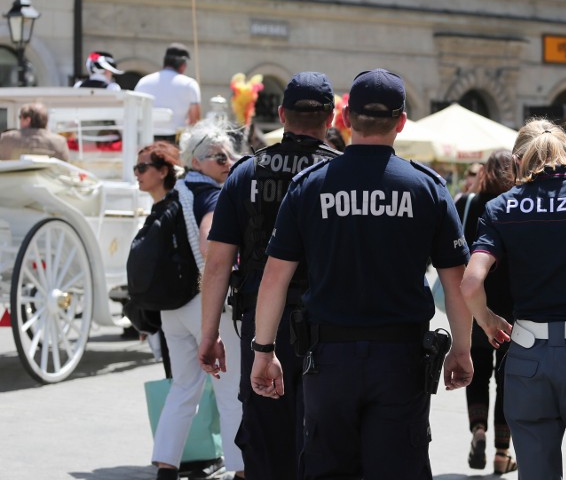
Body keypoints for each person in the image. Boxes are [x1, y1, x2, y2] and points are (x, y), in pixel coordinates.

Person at [249, 68, 474, 479]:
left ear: (345, 118)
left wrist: (264, 351)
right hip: (400, 361)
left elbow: (274, 278)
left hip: (329, 359)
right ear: (401, 122)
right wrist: (462, 348)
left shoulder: (310, 186)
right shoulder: (427, 187)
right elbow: (455, 282)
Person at [460, 119, 566, 479]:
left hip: (528, 353)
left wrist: (487, 319)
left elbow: (471, 283)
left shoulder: (501, 208)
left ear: (518, 159)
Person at [198, 71, 340, 480]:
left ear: (281, 114)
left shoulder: (245, 174)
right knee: (325, 444)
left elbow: (218, 263)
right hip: (329, 330)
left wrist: (209, 333)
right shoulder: (340, 174)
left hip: (263, 332)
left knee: (266, 444)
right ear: (329, 119)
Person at [136, 134, 244, 480]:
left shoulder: (177, 191)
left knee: (183, 388)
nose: (228, 161)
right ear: (196, 161)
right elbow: (208, 240)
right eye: (218, 156)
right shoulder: (211, 194)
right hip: (204, 303)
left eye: (228, 155)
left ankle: (166, 467)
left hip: (173, 307)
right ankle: (241, 470)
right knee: (231, 392)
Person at [457, 149, 517, 475]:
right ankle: (501, 452)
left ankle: (478, 429)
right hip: (513, 309)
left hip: (475, 304)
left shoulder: (466, 203)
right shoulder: (517, 205)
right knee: (507, 381)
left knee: (477, 374)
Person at [135, 43, 201, 140]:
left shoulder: (143, 82)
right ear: (183, 65)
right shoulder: (190, 84)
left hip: (146, 139)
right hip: (175, 142)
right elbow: (194, 121)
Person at [0, 103, 69, 161]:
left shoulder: (6, 139)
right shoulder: (59, 142)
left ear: (27, 120)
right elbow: (65, 170)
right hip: (46, 177)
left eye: (20, 117)